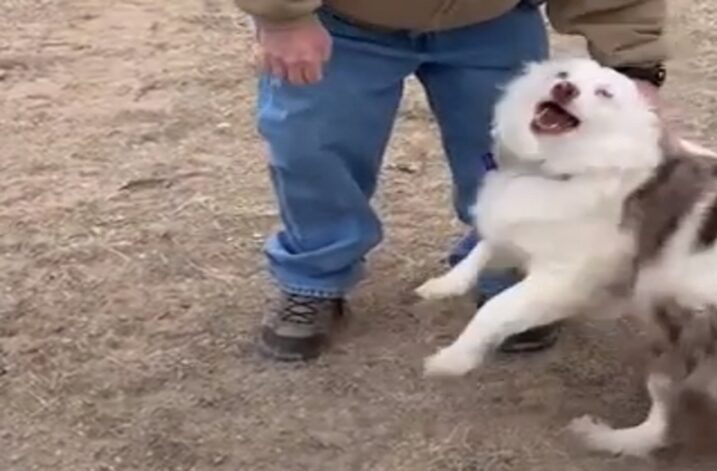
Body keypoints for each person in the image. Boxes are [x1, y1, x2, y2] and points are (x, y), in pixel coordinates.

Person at [234, 0, 670, 361]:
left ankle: (509, 266)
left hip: (491, 21)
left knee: (518, 156)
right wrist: (282, 15)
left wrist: (635, 62)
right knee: (312, 146)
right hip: (343, 22)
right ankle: (315, 272)